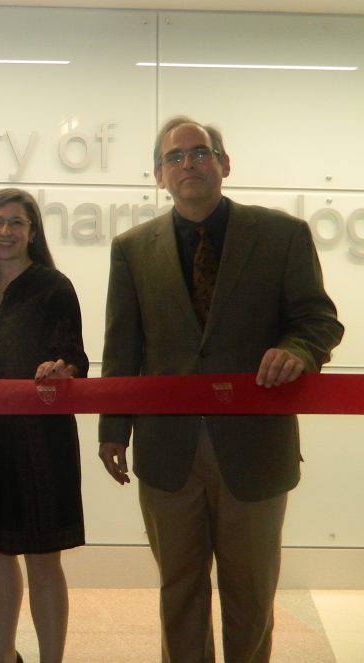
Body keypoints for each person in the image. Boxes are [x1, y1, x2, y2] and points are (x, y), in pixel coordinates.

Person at [98, 116, 343, 662]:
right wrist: (113, 429)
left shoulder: (281, 235)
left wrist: (298, 352)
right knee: (178, 593)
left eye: (200, 153)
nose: (189, 164)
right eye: (175, 157)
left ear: (224, 164)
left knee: (251, 595)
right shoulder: (132, 248)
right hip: (167, 450)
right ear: (160, 175)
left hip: (255, 447)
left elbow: (318, 321)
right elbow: (123, 348)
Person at [0, 188, 87, 663]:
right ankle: (2, 657)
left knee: (44, 556)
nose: (5, 232)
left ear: (33, 232)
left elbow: (77, 358)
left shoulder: (53, 285)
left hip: (40, 438)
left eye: (16, 223)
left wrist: (59, 366)